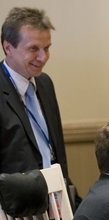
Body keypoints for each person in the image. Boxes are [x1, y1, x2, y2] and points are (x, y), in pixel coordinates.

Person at [0, 8, 71, 184]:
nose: (43, 57)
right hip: (13, 205)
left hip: (55, 198)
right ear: (8, 47)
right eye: (33, 49)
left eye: (47, 48)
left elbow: (57, 151)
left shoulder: (45, 83)